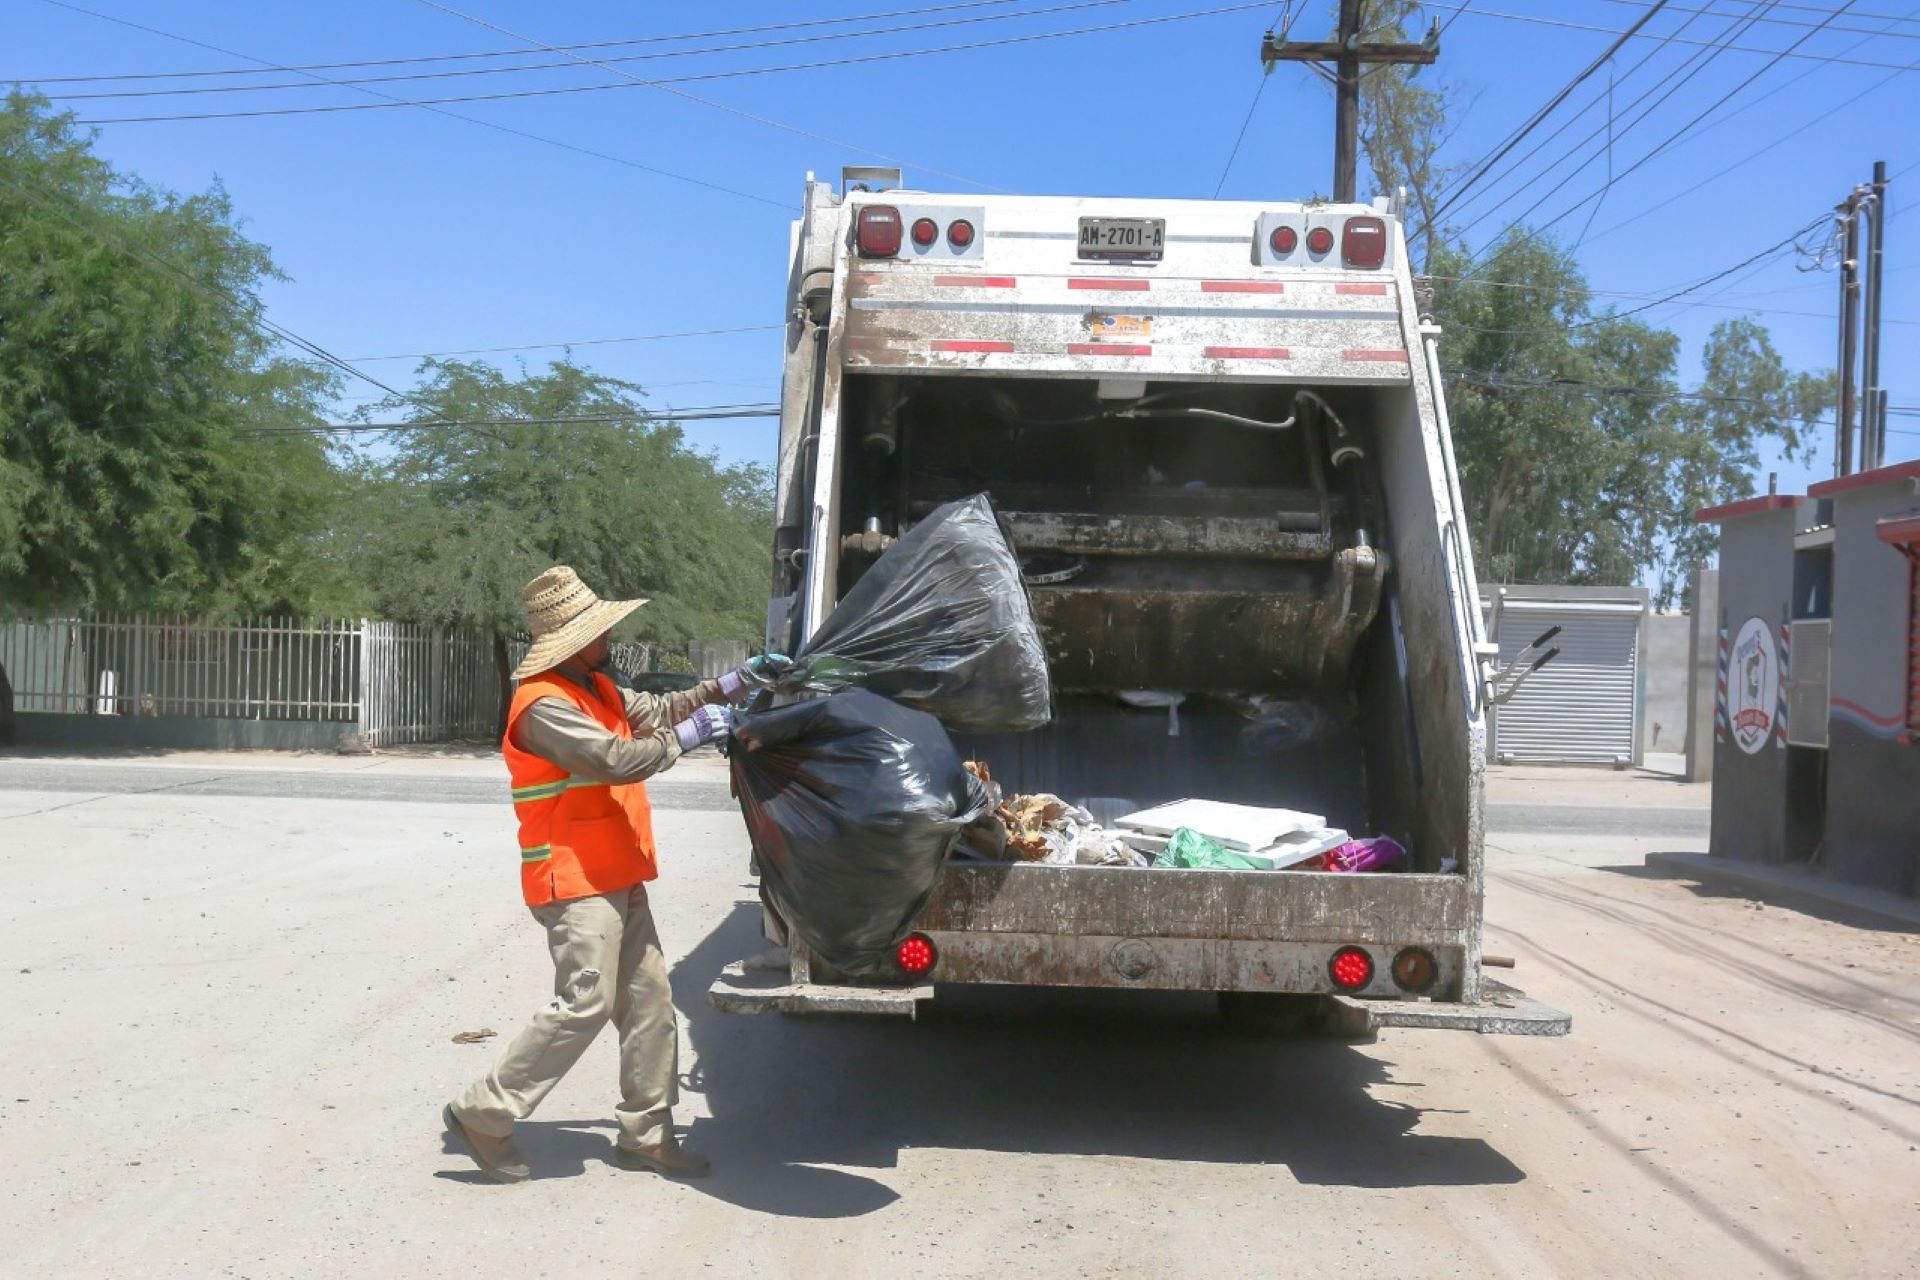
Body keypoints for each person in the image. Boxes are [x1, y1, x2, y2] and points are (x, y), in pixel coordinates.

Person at [443, 566, 789, 1184]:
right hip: (573, 877)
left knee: (650, 1002)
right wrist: (686, 737)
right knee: (587, 1001)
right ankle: (484, 1112)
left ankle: (647, 1136)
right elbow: (614, 760)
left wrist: (732, 684)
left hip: (615, 870)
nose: (610, 637)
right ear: (575, 640)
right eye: (600, 630)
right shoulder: (544, 706)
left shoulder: (597, 686)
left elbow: (658, 709)